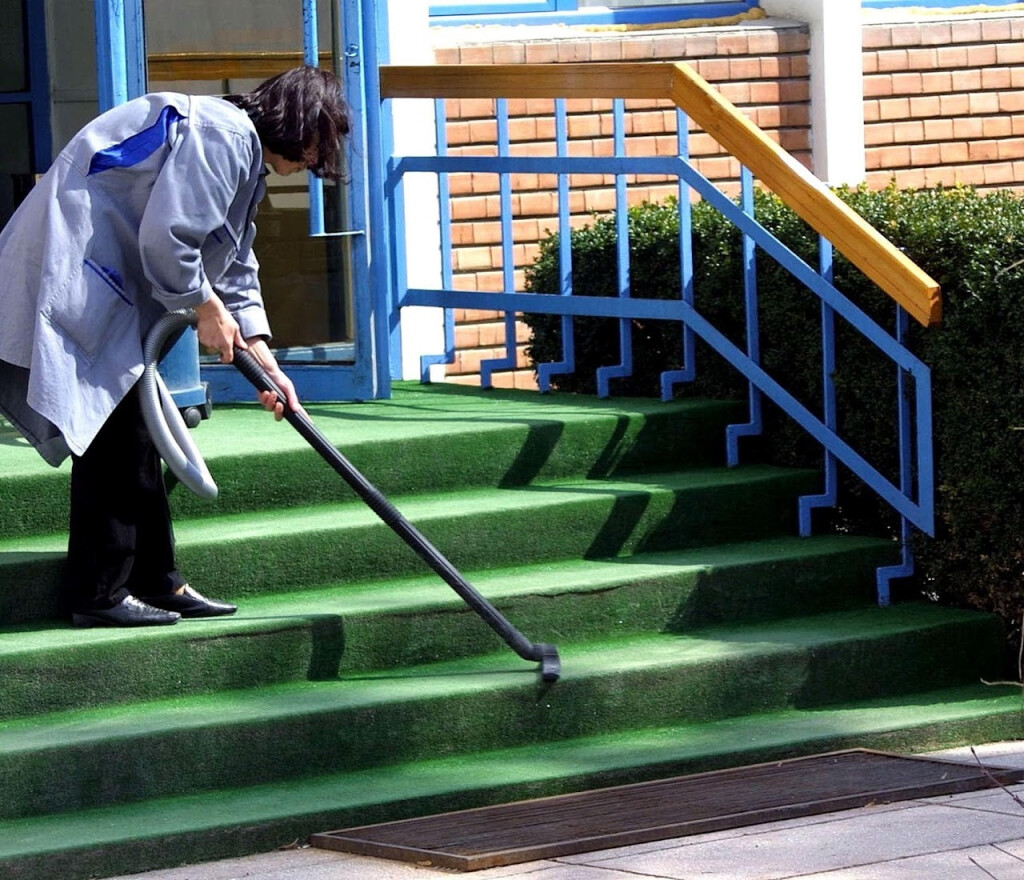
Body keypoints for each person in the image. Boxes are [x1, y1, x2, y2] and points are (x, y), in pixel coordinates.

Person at [0, 65, 352, 627]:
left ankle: (156, 581)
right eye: (316, 145)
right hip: (82, 267)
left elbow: (234, 260)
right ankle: (97, 593)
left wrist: (262, 354)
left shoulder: (240, 153)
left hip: (113, 280)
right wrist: (206, 308)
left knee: (138, 430)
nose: (312, 161)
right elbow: (170, 237)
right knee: (114, 432)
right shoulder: (224, 134)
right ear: (297, 121)